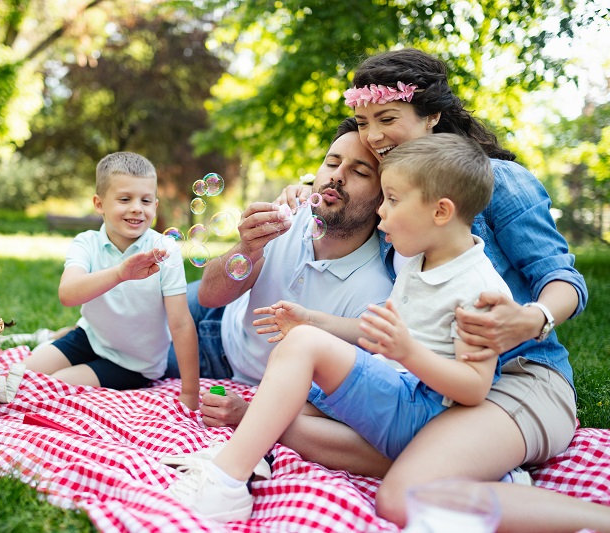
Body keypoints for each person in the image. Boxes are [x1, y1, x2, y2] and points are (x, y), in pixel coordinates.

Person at [277, 49, 608, 532]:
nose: (372, 136)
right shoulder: (399, 199)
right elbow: (342, 199)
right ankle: (485, 474)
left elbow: (563, 279)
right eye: (363, 121)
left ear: (433, 114)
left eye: (386, 118)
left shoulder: (499, 181)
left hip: (517, 378)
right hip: (432, 385)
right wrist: (307, 187)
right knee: (286, 415)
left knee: (404, 495)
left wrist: (531, 317)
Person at [165, 133, 513, 522]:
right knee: (291, 408)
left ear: (440, 212)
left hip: (417, 405)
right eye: (331, 163)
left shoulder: (478, 290)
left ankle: (227, 480)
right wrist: (309, 318)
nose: (384, 213)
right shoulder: (416, 262)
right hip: (241, 338)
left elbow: (475, 387)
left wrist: (404, 351)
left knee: (301, 349)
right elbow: (373, 332)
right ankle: (248, 453)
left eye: (390, 198)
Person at [162, 118, 395, 429]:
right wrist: (246, 247)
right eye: (332, 162)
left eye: (360, 172)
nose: (337, 177)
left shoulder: (375, 289)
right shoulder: (289, 217)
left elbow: (331, 399)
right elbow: (209, 296)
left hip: (218, 359)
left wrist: (252, 410)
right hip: (221, 319)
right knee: (128, 307)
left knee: (125, 355)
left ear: (383, 196)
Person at [22, 151, 200, 410]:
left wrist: (190, 392)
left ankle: (62, 343)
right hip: (90, 337)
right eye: (125, 199)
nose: (137, 208)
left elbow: (181, 323)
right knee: (24, 376)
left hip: (133, 362)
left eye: (146, 200)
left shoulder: (164, 250)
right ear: (99, 204)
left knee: (58, 384)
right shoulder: (87, 242)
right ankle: (63, 336)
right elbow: (68, 294)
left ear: (156, 206)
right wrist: (120, 274)